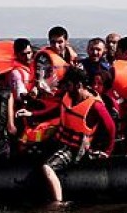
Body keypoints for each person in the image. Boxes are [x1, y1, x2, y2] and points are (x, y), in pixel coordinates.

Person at [41, 68, 115, 204]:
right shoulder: (70, 96)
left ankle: (58, 203)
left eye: (68, 85)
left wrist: (107, 152)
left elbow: (110, 127)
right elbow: (56, 110)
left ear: (78, 85)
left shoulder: (95, 105)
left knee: (47, 167)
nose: (66, 88)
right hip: (61, 141)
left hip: (75, 149)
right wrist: (32, 115)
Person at [33, 26, 78, 96]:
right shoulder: (43, 58)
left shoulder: (72, 55)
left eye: (60, 42)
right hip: (50, 93)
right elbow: (40, 79)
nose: (56, 46)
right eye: (53, 42)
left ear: (66, 41)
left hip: (68, 91)